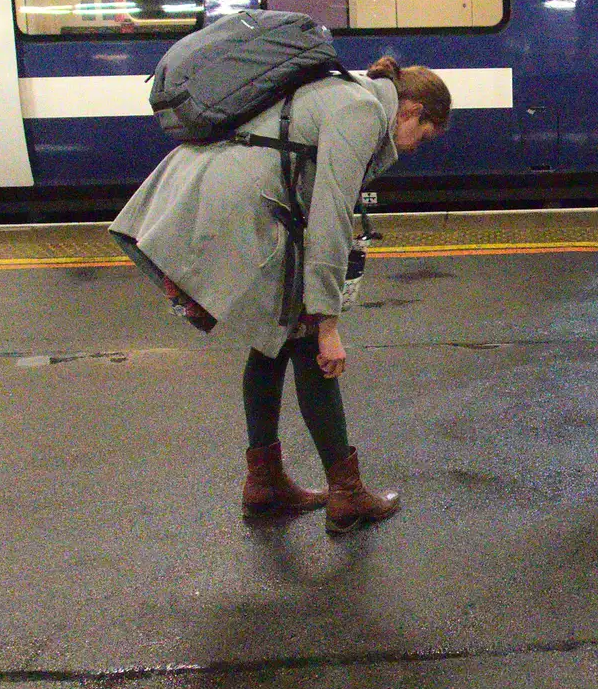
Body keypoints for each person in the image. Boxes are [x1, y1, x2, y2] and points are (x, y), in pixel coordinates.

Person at [111, 56, 450, 534]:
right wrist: (328, 321)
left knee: (273, 339)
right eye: (425, 134)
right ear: (410, 110)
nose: (417, 147)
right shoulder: (361, 112)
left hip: (226, 201)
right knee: (310, 343)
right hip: (238, 212)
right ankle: (346, 495)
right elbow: (332, 216)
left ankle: (265, 484)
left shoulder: (347, 92)